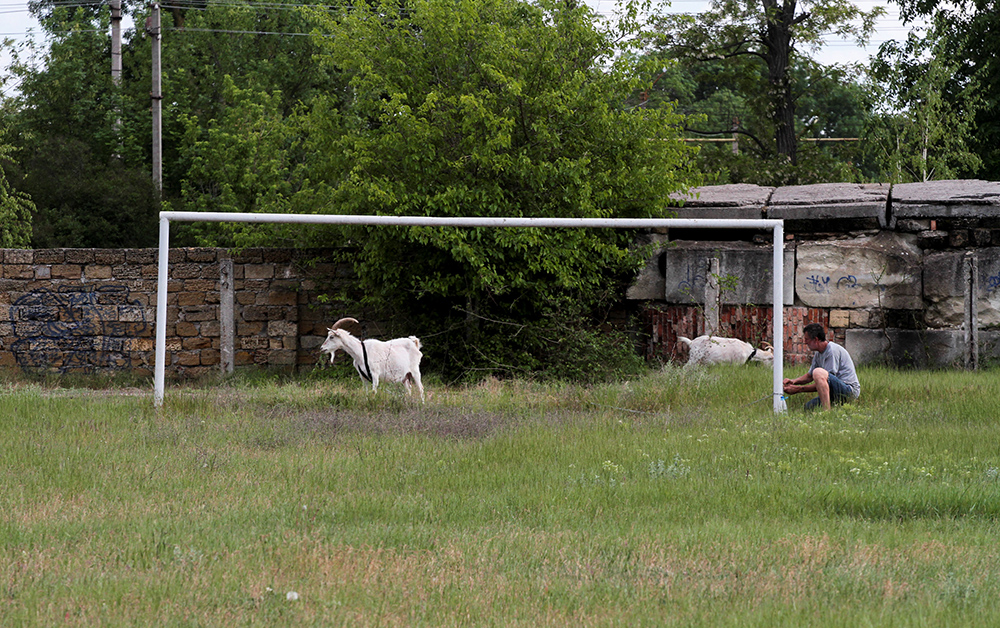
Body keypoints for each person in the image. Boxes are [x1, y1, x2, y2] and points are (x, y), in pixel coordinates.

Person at [783, 323, 861, 410]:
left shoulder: (832, 351)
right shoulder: (818, 353)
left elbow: (826, 382)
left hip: (849, 391)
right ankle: (830, 407)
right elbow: (809, 376)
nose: (805, 342)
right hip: (834, 392)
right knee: (808, 408)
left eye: (807, 339)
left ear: (816, 339)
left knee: (818, 372)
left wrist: (799, 389)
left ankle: (826, 413)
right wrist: (793, 382)